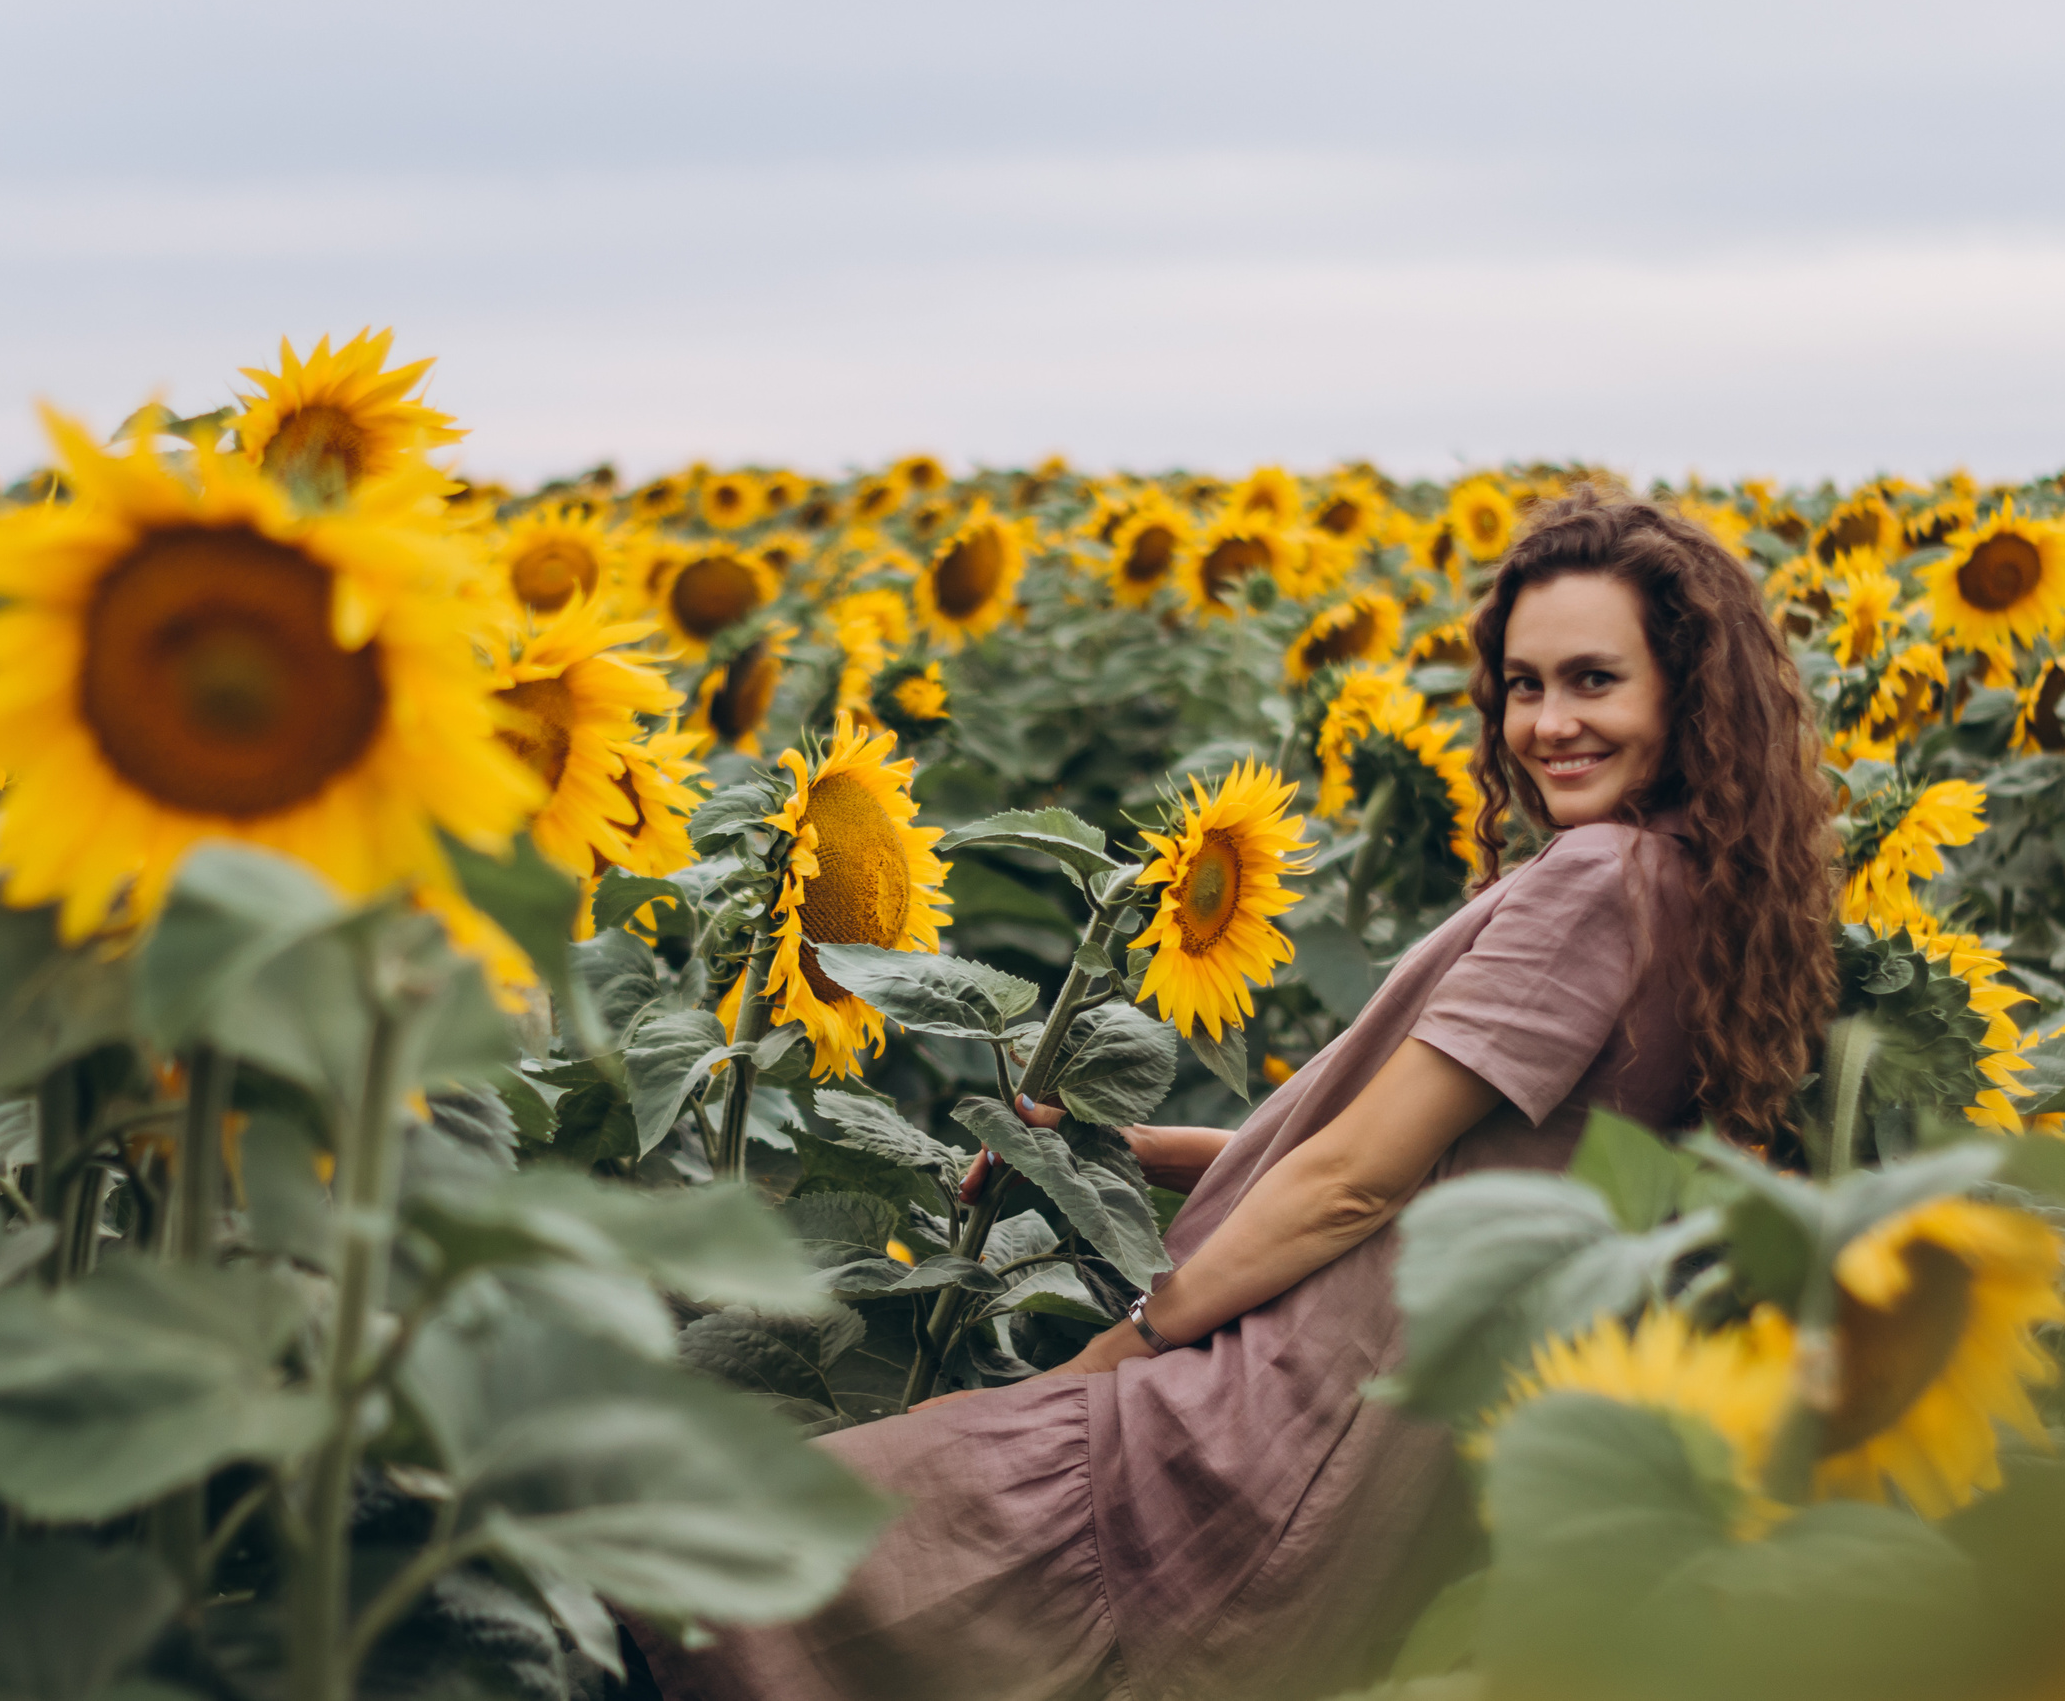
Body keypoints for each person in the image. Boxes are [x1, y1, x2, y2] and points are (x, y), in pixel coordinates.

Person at [640, 487, 1837, 1701]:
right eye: (1524, 685)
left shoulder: (1596, 878)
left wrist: (1112, 1351)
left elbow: (1353, 1180)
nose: (1546, 723)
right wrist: (1129, 1148)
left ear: (1683, 692)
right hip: (1362, 1495)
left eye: (1593, 680)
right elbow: (1466, 1167)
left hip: (1235, 1448)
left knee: (710, 1561)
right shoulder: (1704, 895)